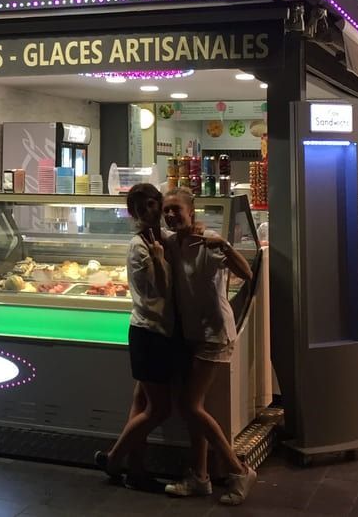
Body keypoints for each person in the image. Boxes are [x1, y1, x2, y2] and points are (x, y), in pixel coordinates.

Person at [162, 188, 257, 506]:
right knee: (194, 410)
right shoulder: (172, 243)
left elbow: (247, 273)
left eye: (176, 209)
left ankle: (239, 470)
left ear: (192, 210)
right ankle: (200, 477)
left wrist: (227, 248)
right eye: (167, 211)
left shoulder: (210, 241)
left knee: (190, 406)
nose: (171, 215)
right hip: (189, 335)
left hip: (214, 335)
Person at [95, 183, 182, 490]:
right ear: (133, 213)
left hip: (156, 332)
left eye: (154, 203)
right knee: (160, 409)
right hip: (149, 333)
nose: (152, 211)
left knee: (141, 402)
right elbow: (159, 290)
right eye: (143, 206)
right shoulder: (140, 246)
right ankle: (115, 458)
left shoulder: (160, 238)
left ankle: (136, 469)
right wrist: (159, 258)